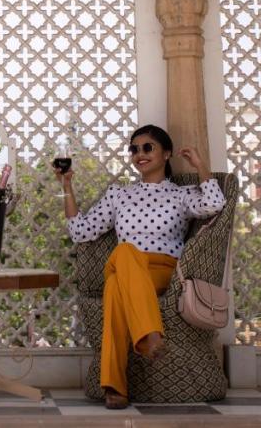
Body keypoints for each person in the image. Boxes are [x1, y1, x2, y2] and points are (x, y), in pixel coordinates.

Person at [55, 124, 225, 409]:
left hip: (162, 270)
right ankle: (148, 337)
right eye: (134, 149)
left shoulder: (181, 194)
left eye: (148, 148)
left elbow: (214, 204)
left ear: (166, 153)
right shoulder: (118, 194)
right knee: (122, 261)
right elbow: (81, 231)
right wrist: (66, 186)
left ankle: (114, 385)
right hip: (125, 267)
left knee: (116, 277)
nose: (139, 154)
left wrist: (200, 166)